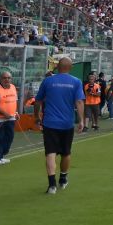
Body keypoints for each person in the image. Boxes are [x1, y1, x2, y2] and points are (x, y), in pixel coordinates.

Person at [33, 57, 85, 194]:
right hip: (67, 123)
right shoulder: (76, 82)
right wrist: (82, 120)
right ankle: (63, 178)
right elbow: (79, 102)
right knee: (66, 153)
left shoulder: (48, 81)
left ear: (58, 67)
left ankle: (52, 185)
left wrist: (36, 116)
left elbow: (37, 101)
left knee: (50, 153)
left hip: (50, 123)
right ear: (70, 67)